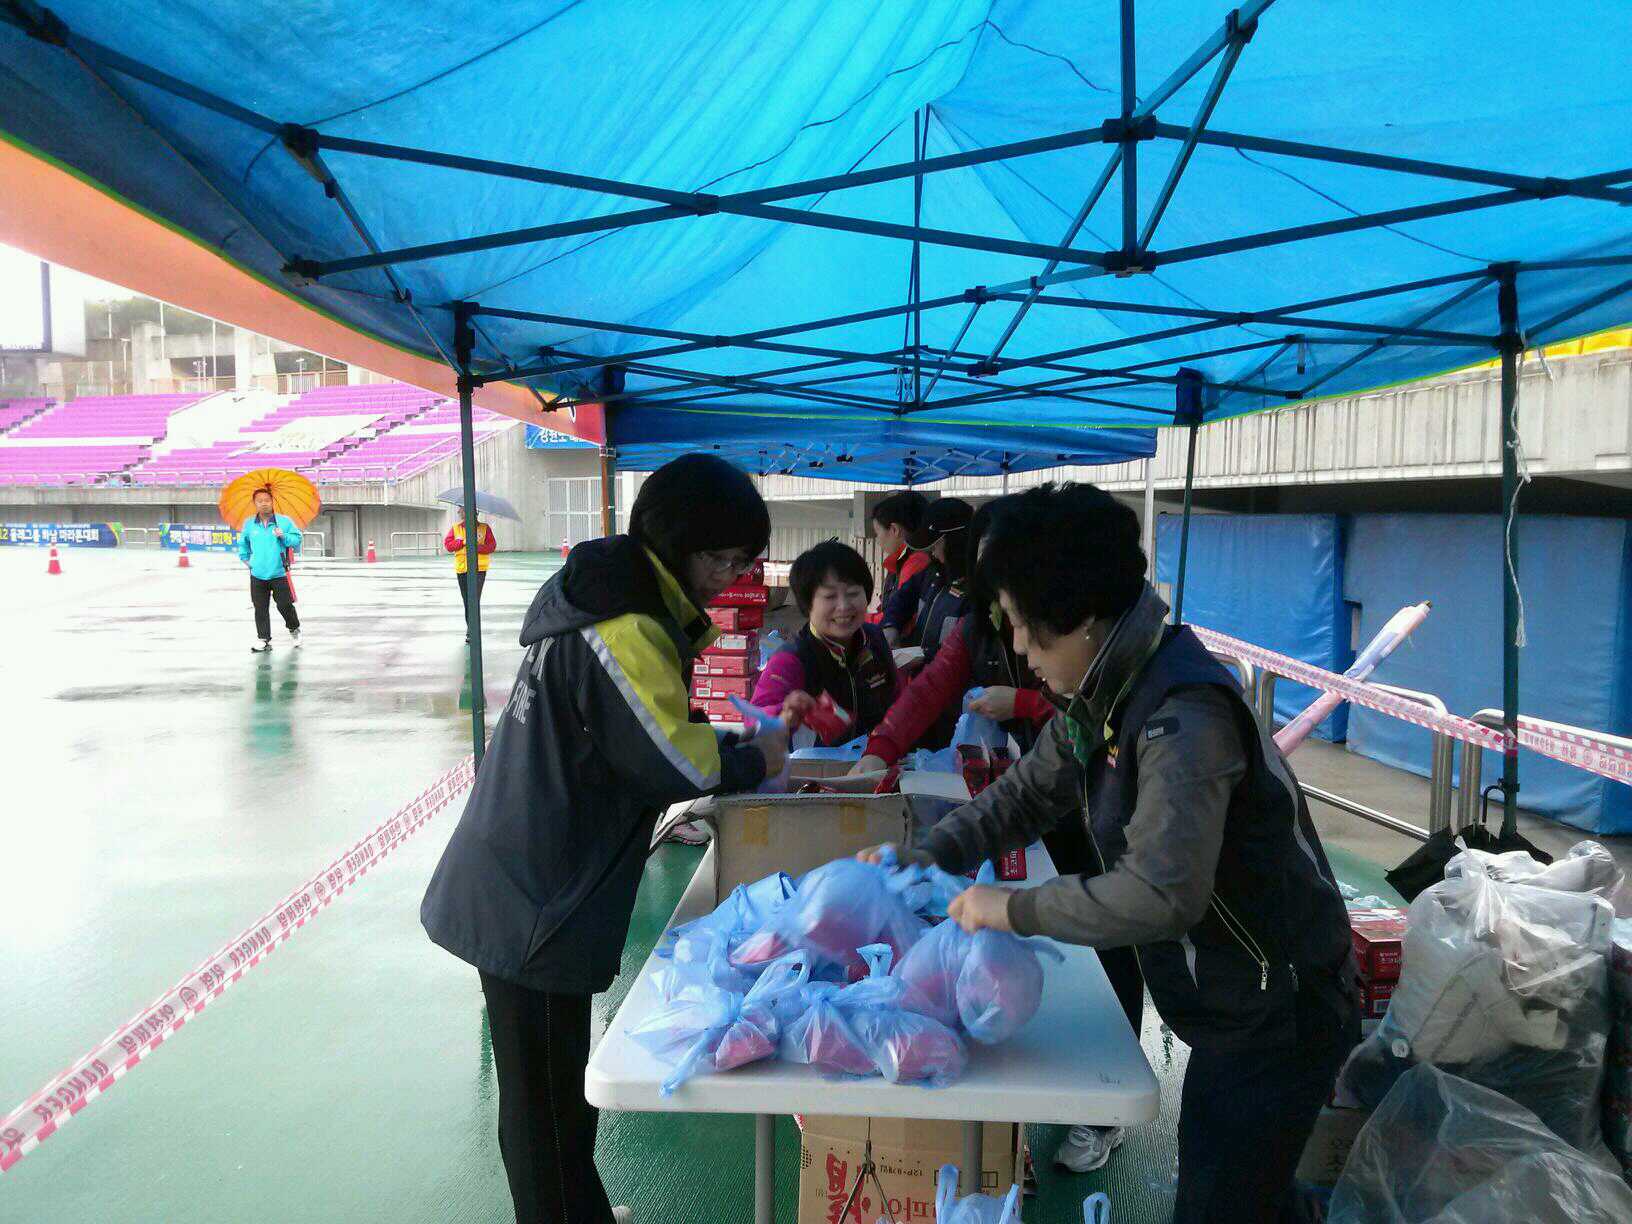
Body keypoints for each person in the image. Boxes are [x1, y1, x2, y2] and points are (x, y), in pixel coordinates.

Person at [864, 483, 1357, 1223]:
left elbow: (1159, 894)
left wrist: (1011, 909)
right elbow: (1029, 793)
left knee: (1222, 1204)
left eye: (1029, 631)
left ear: (1085, 618)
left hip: (1279, 1009)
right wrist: (930, 852)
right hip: (1232, 995)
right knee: (1250, 1193)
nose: (1020, 652)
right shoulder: (1108, 690)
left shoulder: (1181, 721)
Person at [421, 454, 788, 1224]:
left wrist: (731, 746)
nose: (730, 578)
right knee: (545, 1107)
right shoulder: (624, 625)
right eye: (725, 560)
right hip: (535, 896)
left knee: (556, 1094)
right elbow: (667, 759)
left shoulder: (614, 600)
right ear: (680, 546)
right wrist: (757, 758)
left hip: (532, 876)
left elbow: (640, 730)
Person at [750, 539, 899, 742]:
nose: (844, 606)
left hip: (879, 758)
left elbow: (897, 702)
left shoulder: (874, 639)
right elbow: (756, 721)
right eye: (830, 597)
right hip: (819, 762)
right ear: (807, 604)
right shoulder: (791, 659)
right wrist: (785, 714)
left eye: (853, 593)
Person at [880, 497, 973, 657]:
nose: (932, 554)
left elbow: (968, 646)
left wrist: (924, 656)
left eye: (935, 545)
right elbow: (902, 598)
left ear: (956, 543)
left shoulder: (976, 591)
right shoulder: (932, 573)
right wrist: (890, 625)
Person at [237, 488, 302, 653]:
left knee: (284, 605)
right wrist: (246, 560)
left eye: (267, 500)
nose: (264, 504)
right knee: (260, 607)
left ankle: (294, 628)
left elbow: (297, 540)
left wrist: (283, 536)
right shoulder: (249, 524)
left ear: (272, 502)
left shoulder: (284, 522)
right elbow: (243, 543)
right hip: (257, 574)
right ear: (255, 503)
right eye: (260, 501)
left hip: (279, 573)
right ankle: (263, 639)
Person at [869, 490, 930, 619]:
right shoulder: (902, 561)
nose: (877, 540)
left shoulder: (916, 562)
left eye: (877, 533)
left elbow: (896, 617)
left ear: (894, 530)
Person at [445, 513, 498, 641]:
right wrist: (462, 542)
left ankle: (472, 631)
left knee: (474, 599)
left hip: (478, 569)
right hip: (462, 569)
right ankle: (471, 628)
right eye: (460, 511)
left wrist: (475, 546)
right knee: (467, 601)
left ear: (474, 512)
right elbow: (448, 545)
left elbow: (491, 546)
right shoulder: (456, 528)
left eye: (462, 510)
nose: (459, 513)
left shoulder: (484, 528)